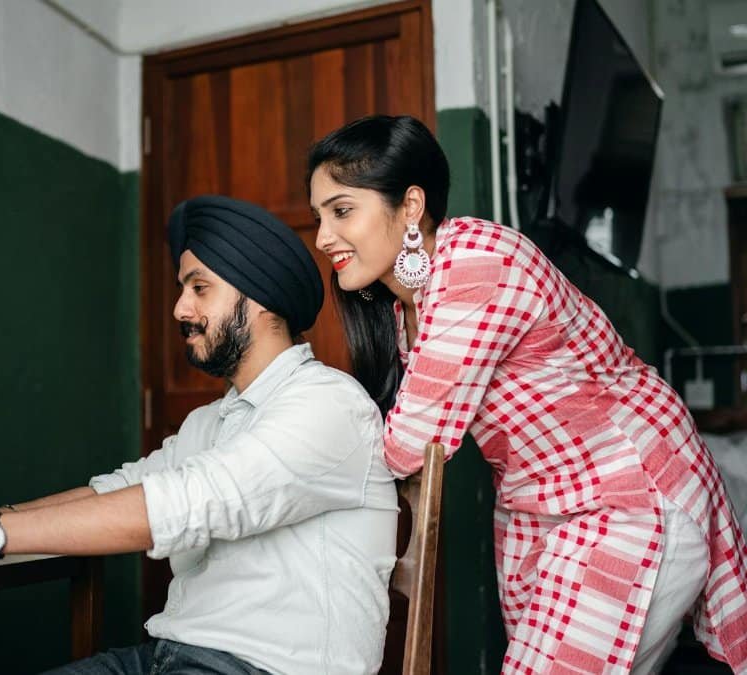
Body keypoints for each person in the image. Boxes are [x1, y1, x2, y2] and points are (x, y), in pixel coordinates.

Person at [0, 195, 399, 674]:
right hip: (163, 655)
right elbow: (116, 489)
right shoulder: (210, 421)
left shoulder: (329, 404)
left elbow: (182, 504)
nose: (180, 308)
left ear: (260, 301)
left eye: (199, 288)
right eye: (183, 288)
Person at [308, 114, 747, 674]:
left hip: (627, 499)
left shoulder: (474, 265)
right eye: (318, 216)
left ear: (411, 206)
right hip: (556, 515)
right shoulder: (405, 310)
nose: (323, 236)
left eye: (341, 210)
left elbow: (410, 446)